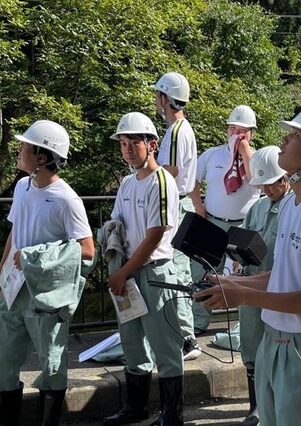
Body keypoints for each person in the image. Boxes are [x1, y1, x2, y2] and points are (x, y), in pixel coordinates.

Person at [196, 100, 301, 426]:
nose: (283, 140)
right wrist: (233, 284)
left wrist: (243, 295)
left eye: (295, 135)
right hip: (275, 339)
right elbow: (281, 276)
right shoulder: (292, 204)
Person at [0, 120, 94, 426]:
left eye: (25, 147)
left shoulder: (66, 199)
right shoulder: (22, 186)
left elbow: (87, 249)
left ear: (43, 157)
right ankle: (5, 420)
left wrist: (37, 256)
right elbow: (15, 233)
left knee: (51, 362)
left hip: (46, 293)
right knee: (4, 359)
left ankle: (50, 422)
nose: (19, 151)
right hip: (14, 287)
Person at [102, 112, 185, 426]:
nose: (126, 149)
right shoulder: (126, 182)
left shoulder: (161, 180)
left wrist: (122, 273)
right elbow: (118, 224)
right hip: (128, 270)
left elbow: (156, 235)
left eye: (133, 143)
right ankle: (137, 408)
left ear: (152, 145)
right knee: (132, 341)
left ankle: (172, 415)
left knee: (165, 346)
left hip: (154, 271)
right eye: (123, 143)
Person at [190, 105, 260, 333]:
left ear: (252, 133)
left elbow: (255, 179)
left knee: (245, 275)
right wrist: (198, 205)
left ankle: (244, 326)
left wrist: (244, 150)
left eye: (243, 130)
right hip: (213, 221)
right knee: (203, 270)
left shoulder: (257, 159)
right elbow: (194, 181)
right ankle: (199, 321)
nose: (236, 135)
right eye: (232, 129)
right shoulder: (212, 154)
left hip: (243, 225)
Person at [236, 146, 290, 426]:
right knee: (252, 344)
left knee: (278, 348)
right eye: (263, 185)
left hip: (280, 288)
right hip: (252, 285)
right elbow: (243, 238)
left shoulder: (294, 206)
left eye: (271, 184)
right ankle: (255, 407)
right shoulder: (257, 207)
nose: (267, 190)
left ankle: (276, 404)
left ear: (284, 179)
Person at [151, 72, 200, 361]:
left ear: (166, 98)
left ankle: (186, 341)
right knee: (179, 271)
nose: (156, 102)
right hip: (182, 205)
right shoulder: (184, 129)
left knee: (177, 273)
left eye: (158, 96)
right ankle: (185, 337)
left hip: (176, 206)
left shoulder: (176, 131)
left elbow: (170, 172)